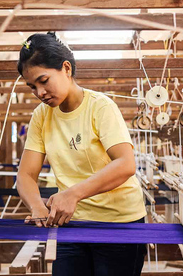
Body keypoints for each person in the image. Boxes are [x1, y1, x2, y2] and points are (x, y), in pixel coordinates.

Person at [16, 32, 147, 276]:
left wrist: (73, 194)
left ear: (66, 68)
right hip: (71, 224)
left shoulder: (101, 107)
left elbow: (126, 164)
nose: (39, 92)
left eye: (44, 80)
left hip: (119, 225)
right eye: (32, 86)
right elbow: (25, 175)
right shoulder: (41, 116)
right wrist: (37, 207)